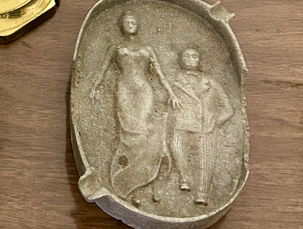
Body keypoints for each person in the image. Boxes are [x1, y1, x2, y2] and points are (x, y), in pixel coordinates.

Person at [90, 12, 180, 206]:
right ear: (121, 25)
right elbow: (103, 68)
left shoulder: (147, 49)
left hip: (144, 91)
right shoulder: (116, 48)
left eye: (133, 21)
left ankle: (149, 181)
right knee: (128, 132)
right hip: (124, 89)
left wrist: (171, 93)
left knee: (144, 131)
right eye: (126, 22)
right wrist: (95, 86)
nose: (130, 24)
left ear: (137, 25)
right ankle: (129, 184)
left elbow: (158, 73)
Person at [169, 48, 234, 206]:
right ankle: (185, 178)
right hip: (182, 123)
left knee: (205, 159)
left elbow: (228, 109)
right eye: (186, 55)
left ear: (199, 60)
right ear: (180, 59)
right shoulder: (173, 81)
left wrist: (215, 121)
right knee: (176, 147)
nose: (190, 59)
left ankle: (202, 193)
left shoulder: (211, 83)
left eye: (194, 56)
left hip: (206, 125)